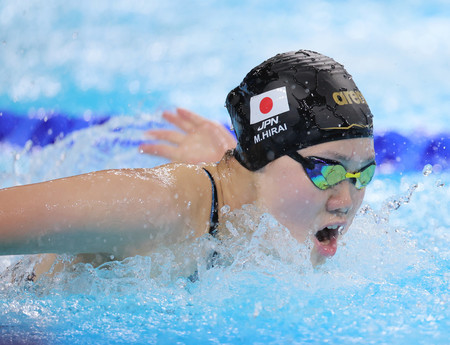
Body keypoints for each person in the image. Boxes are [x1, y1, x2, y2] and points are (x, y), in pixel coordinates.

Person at [0, 50, 376, 280]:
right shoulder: (155, 205)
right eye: (328, 171)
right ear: (264, 160)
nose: (346, 199)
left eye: (363, 175)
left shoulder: (254, 209)